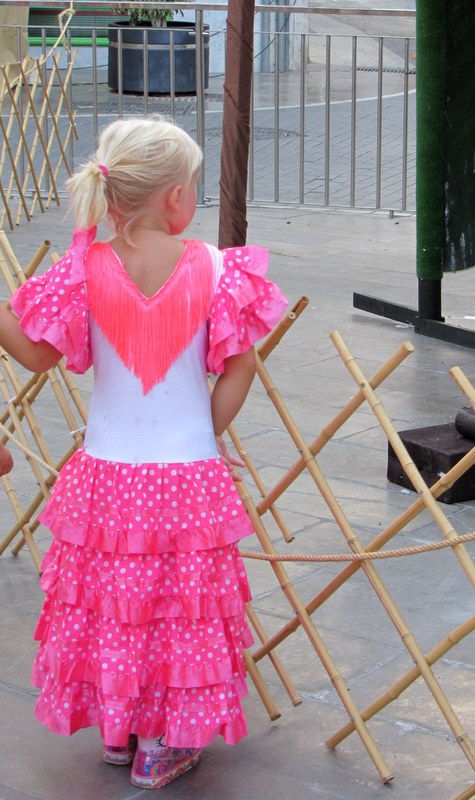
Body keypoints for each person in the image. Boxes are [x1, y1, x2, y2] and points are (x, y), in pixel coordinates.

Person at [0, 118, 287, 789]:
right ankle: (165, 742)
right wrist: (203, 434)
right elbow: (239, 369)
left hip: (105, 476)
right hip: (188, 478)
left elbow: (38, 354)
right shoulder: (218, 269)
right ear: (176, 200)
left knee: (115, 604)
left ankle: (119, 728)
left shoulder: (83, 270)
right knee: (180, 611)